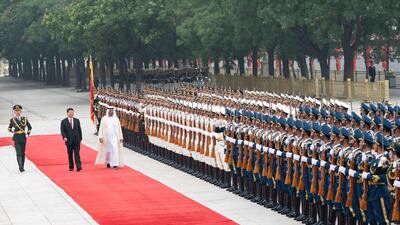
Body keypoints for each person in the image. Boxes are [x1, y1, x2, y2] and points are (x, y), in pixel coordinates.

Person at [7, 104, 32, 172]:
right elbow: (9, 128)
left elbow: (30, 127)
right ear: (14, 112)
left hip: (23, 137)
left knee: (23, 152)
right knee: (18, 152)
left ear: (21, 111)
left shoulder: (25, 119)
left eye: (19, 110)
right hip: (16, 137)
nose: (17, 112)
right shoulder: (12, 120)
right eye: (16, 111)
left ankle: (22, 166)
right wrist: (12, 130)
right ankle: (20, 167)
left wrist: (28, 134)